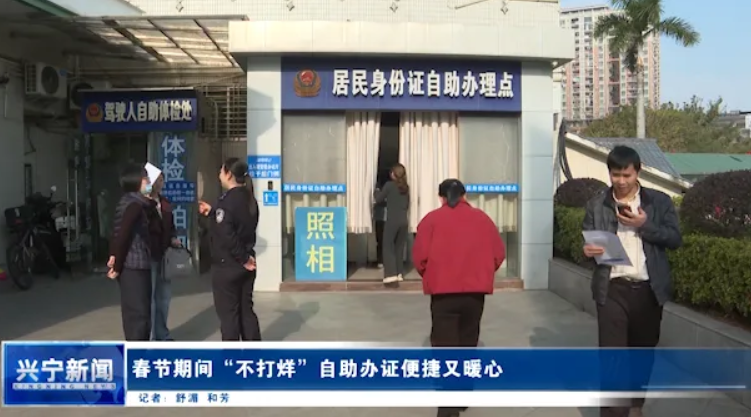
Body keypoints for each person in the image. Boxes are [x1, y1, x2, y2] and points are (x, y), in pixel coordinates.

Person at [582, 146, 682, 417]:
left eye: (627, 175)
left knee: (642, 352)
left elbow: (675, 239)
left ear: (638, 172)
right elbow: (589, 241)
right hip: (611, 289)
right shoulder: (596, 205)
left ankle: (636, 405)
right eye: (616, 175)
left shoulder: (658, 202)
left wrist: (644, 225)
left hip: (648, 290)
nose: (621, 181)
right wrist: (588, 251)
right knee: (612, 358)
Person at [412, 179, 505, 417]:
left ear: (441, 197)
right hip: (475, 293)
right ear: (465, 195)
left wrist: (432, 275)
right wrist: (481, 273)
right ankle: (463, 393)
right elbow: (498, 254)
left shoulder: (431, 220)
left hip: (443, 293)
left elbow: (420, 258)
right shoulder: (483, 219)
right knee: (468, 341)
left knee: (445, 347)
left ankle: (448, 408)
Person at [198, 157, 261, 341]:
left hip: (228, 265)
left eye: (221, 171)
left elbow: (228, 235)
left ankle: (231, 354)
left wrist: (242, 258)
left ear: (228, 174)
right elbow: (234, 224)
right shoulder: (249, 199)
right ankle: (254, 351)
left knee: (229, 316)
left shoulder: (226, 202)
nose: (219, 176)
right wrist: (213, 213)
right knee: (246, 311)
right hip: (246, 263)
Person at [107, 163, 154, 341]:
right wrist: (117, 265)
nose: (148, 182)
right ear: (136, 181)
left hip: (133, 265)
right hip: (134, 265)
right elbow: (123, 235)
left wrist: (114, 256)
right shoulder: (134, 205)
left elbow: (116, 232)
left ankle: (137, 349)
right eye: (145, 179)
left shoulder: (129, 202)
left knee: (135, 314)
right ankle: (137, 352)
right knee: (139, 316)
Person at [144, 163, 182, 341]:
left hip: (165, 256)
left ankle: (162, 334)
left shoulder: (165, 203)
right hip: (148, 256)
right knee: (150, 298)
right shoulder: (142, 204)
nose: (161, 183)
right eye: (157, 180)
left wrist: (173, 238)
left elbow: (171, 227)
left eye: (162, 179)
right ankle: (150, 337)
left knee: (164, 298)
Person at [374, 163, 410, 284]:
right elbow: (407, 204)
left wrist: (376, 191)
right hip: (404, 220)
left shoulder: (389, 185)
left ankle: (390, 274)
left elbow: (378, 199)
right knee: (399, 247)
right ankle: (399, 273)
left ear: (393, 174)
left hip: (392, 220)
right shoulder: (406, 187)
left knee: (388, 246)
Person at [372, 169, 389, 269]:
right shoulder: (377, 187)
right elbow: (378, 198)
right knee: (381, 240)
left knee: (382, 240)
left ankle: (382, 260)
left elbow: (378, 199)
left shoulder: (387, 188)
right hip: (381, 217)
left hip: (383, 217)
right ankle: (381, 260)